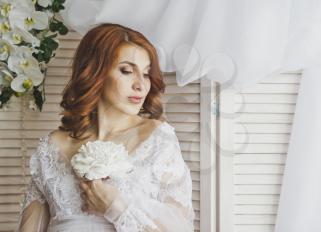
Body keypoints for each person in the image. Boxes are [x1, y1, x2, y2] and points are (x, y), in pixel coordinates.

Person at [16, 23, 195, 232]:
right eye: (127, 71)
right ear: (95, 73)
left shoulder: (158, 140)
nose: (140, 85)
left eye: (146, 74)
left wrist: (117, 208)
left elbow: (180, 227)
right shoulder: (51, 148)